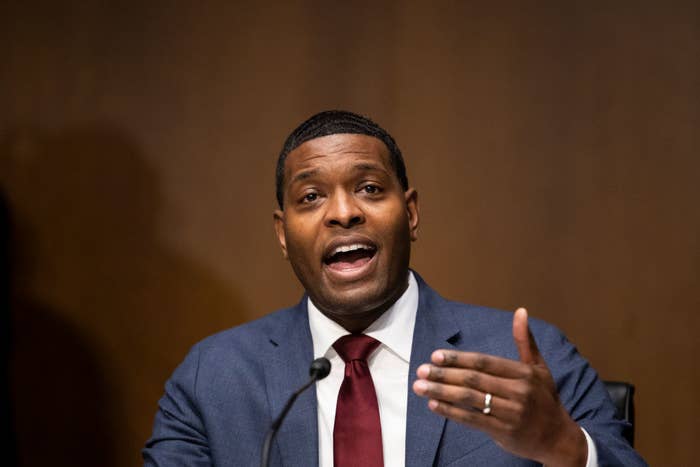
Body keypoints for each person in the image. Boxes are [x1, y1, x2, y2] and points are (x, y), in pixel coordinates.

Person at [143, 110, 646, 466]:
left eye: (368, 188)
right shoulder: (213, 379)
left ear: (409, 213)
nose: (343, 212)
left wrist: (565, 448)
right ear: (282, 232)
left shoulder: (525, 357)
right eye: (312, 196)